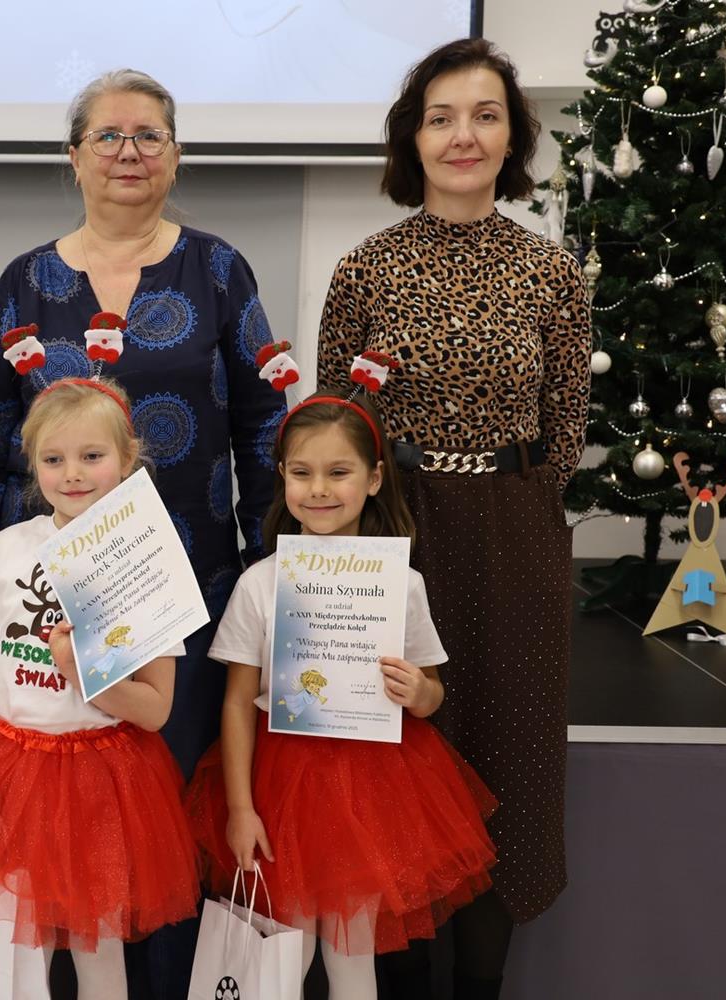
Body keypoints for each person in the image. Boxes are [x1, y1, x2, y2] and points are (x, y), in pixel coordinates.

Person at [316, 38, 591, 999]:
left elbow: (565, 431)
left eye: (484, 115)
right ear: (413, 138)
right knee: (395, 757)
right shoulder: (366, 270)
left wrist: (510, 502)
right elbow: (337, 426)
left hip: (514, 539)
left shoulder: (552, 274)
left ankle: (480, 982)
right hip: (397, 535)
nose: (462, 135)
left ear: (511, 138)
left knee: (505, 763)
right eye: (441, 118)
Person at [0, 69, 285, 776]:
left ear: (175, 156)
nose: (129, 152)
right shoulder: (26, 280)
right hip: (46, 592)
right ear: (75, 158)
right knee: (60, 785)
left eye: (149, 136)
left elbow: (262, 430)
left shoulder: (220, 268)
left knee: (173, 780)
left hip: (190, 579)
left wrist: (268, 563)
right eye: (107, 136)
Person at [186, 377, 497, 1000]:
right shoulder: (261, 583)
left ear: (374, 479)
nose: (320, 489)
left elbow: (432, 693)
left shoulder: (401, 585)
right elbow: (237, 701)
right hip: (282, 787)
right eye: (302, 473)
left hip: (374, 787)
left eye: (339, 472)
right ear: (282, 478)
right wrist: (242, 808)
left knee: (353, 959)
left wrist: (418, 693)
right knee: (282, 957)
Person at [0, 358, 201, 999]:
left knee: (97, 949)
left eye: (92, 456)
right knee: (16, 955)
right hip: (6, 769)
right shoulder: (0, 551)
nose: (73, 473)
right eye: (53, 460)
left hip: (99, 781)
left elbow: (156, 710)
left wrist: (86, 674)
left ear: (128, 460)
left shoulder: (147, 565)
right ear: (32, 464)